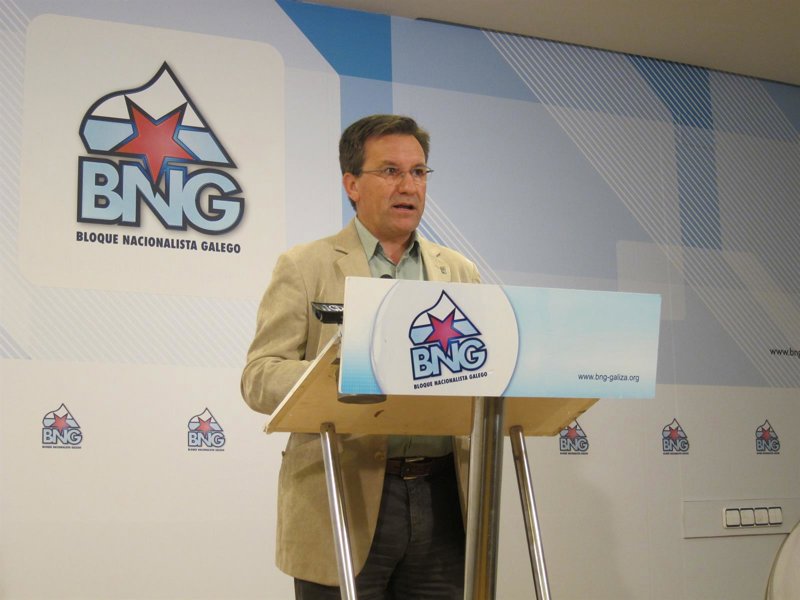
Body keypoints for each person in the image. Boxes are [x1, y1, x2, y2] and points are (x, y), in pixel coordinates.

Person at [241, 114, 480, 598]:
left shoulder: (459, 272)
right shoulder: (305, 265)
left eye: (418, 172)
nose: (408, 185)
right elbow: (260, 377)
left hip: (444, 500)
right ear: (352, 184)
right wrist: (345, 374)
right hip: (342, 494)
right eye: (390, 171)